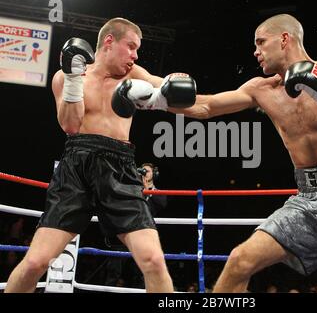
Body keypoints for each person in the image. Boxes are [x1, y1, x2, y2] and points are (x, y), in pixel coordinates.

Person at [169, 14, 317, 292]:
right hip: (310, 197)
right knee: (239, 261)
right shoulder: (261, 89)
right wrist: (158, 96)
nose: (255, 51)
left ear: (284, 39)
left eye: (261, 42)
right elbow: (206, 107)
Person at [4, 17, 195, 293]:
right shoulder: (68, 76)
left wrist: (180, 84)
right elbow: (70, 125)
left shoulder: (134, 75)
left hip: (120, 167)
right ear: (109, 41)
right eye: (131, 46)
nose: (135, 55)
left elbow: (177, 95)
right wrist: (72, 80)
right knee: (35, 262)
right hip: (76, 166)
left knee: (153, 260)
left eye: (137, 49)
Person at [104, 163, 168, 288]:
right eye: (142, 171)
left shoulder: (158, 193)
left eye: (147, 171)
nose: (144, 173)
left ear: (154, 174)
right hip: (127, 232)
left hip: (145, 234)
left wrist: (147, 191)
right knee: (114, 269)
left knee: (140, 272)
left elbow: (161, 204)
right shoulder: (131, 189)